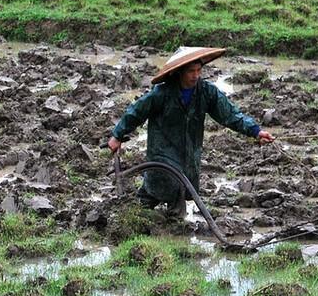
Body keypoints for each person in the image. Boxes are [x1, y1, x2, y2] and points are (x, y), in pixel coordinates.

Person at [108, 46, 274, 212]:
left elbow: (230, 115)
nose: (195, 75)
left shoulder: (206, 92)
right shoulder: (162, 93)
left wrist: (255, 131)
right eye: (190, 71)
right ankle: (143, 217)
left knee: (180, 185)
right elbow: (136, 112)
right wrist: (117, 135)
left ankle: (169, 222)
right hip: (163, 148)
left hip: (189, 150)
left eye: (198, 70)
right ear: (180, 72)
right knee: (163, 182)